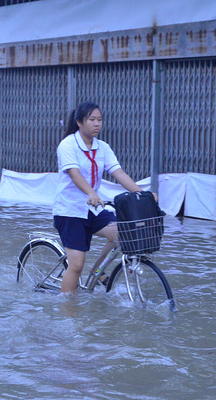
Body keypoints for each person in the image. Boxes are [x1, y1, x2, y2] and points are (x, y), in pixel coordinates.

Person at [54, 101, 153, 294]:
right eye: (92, 120)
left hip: (94, 209)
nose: (97, 124)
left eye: (99, 120)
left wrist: (144, 195)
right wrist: (91, 192)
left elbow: (119, 173)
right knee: (76, 265)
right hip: (70, 211)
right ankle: (67, 312)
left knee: (123, 232)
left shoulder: (103, 147)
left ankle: (97, 270)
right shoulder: (67, 145)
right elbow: (74, 174)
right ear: (79, 122)